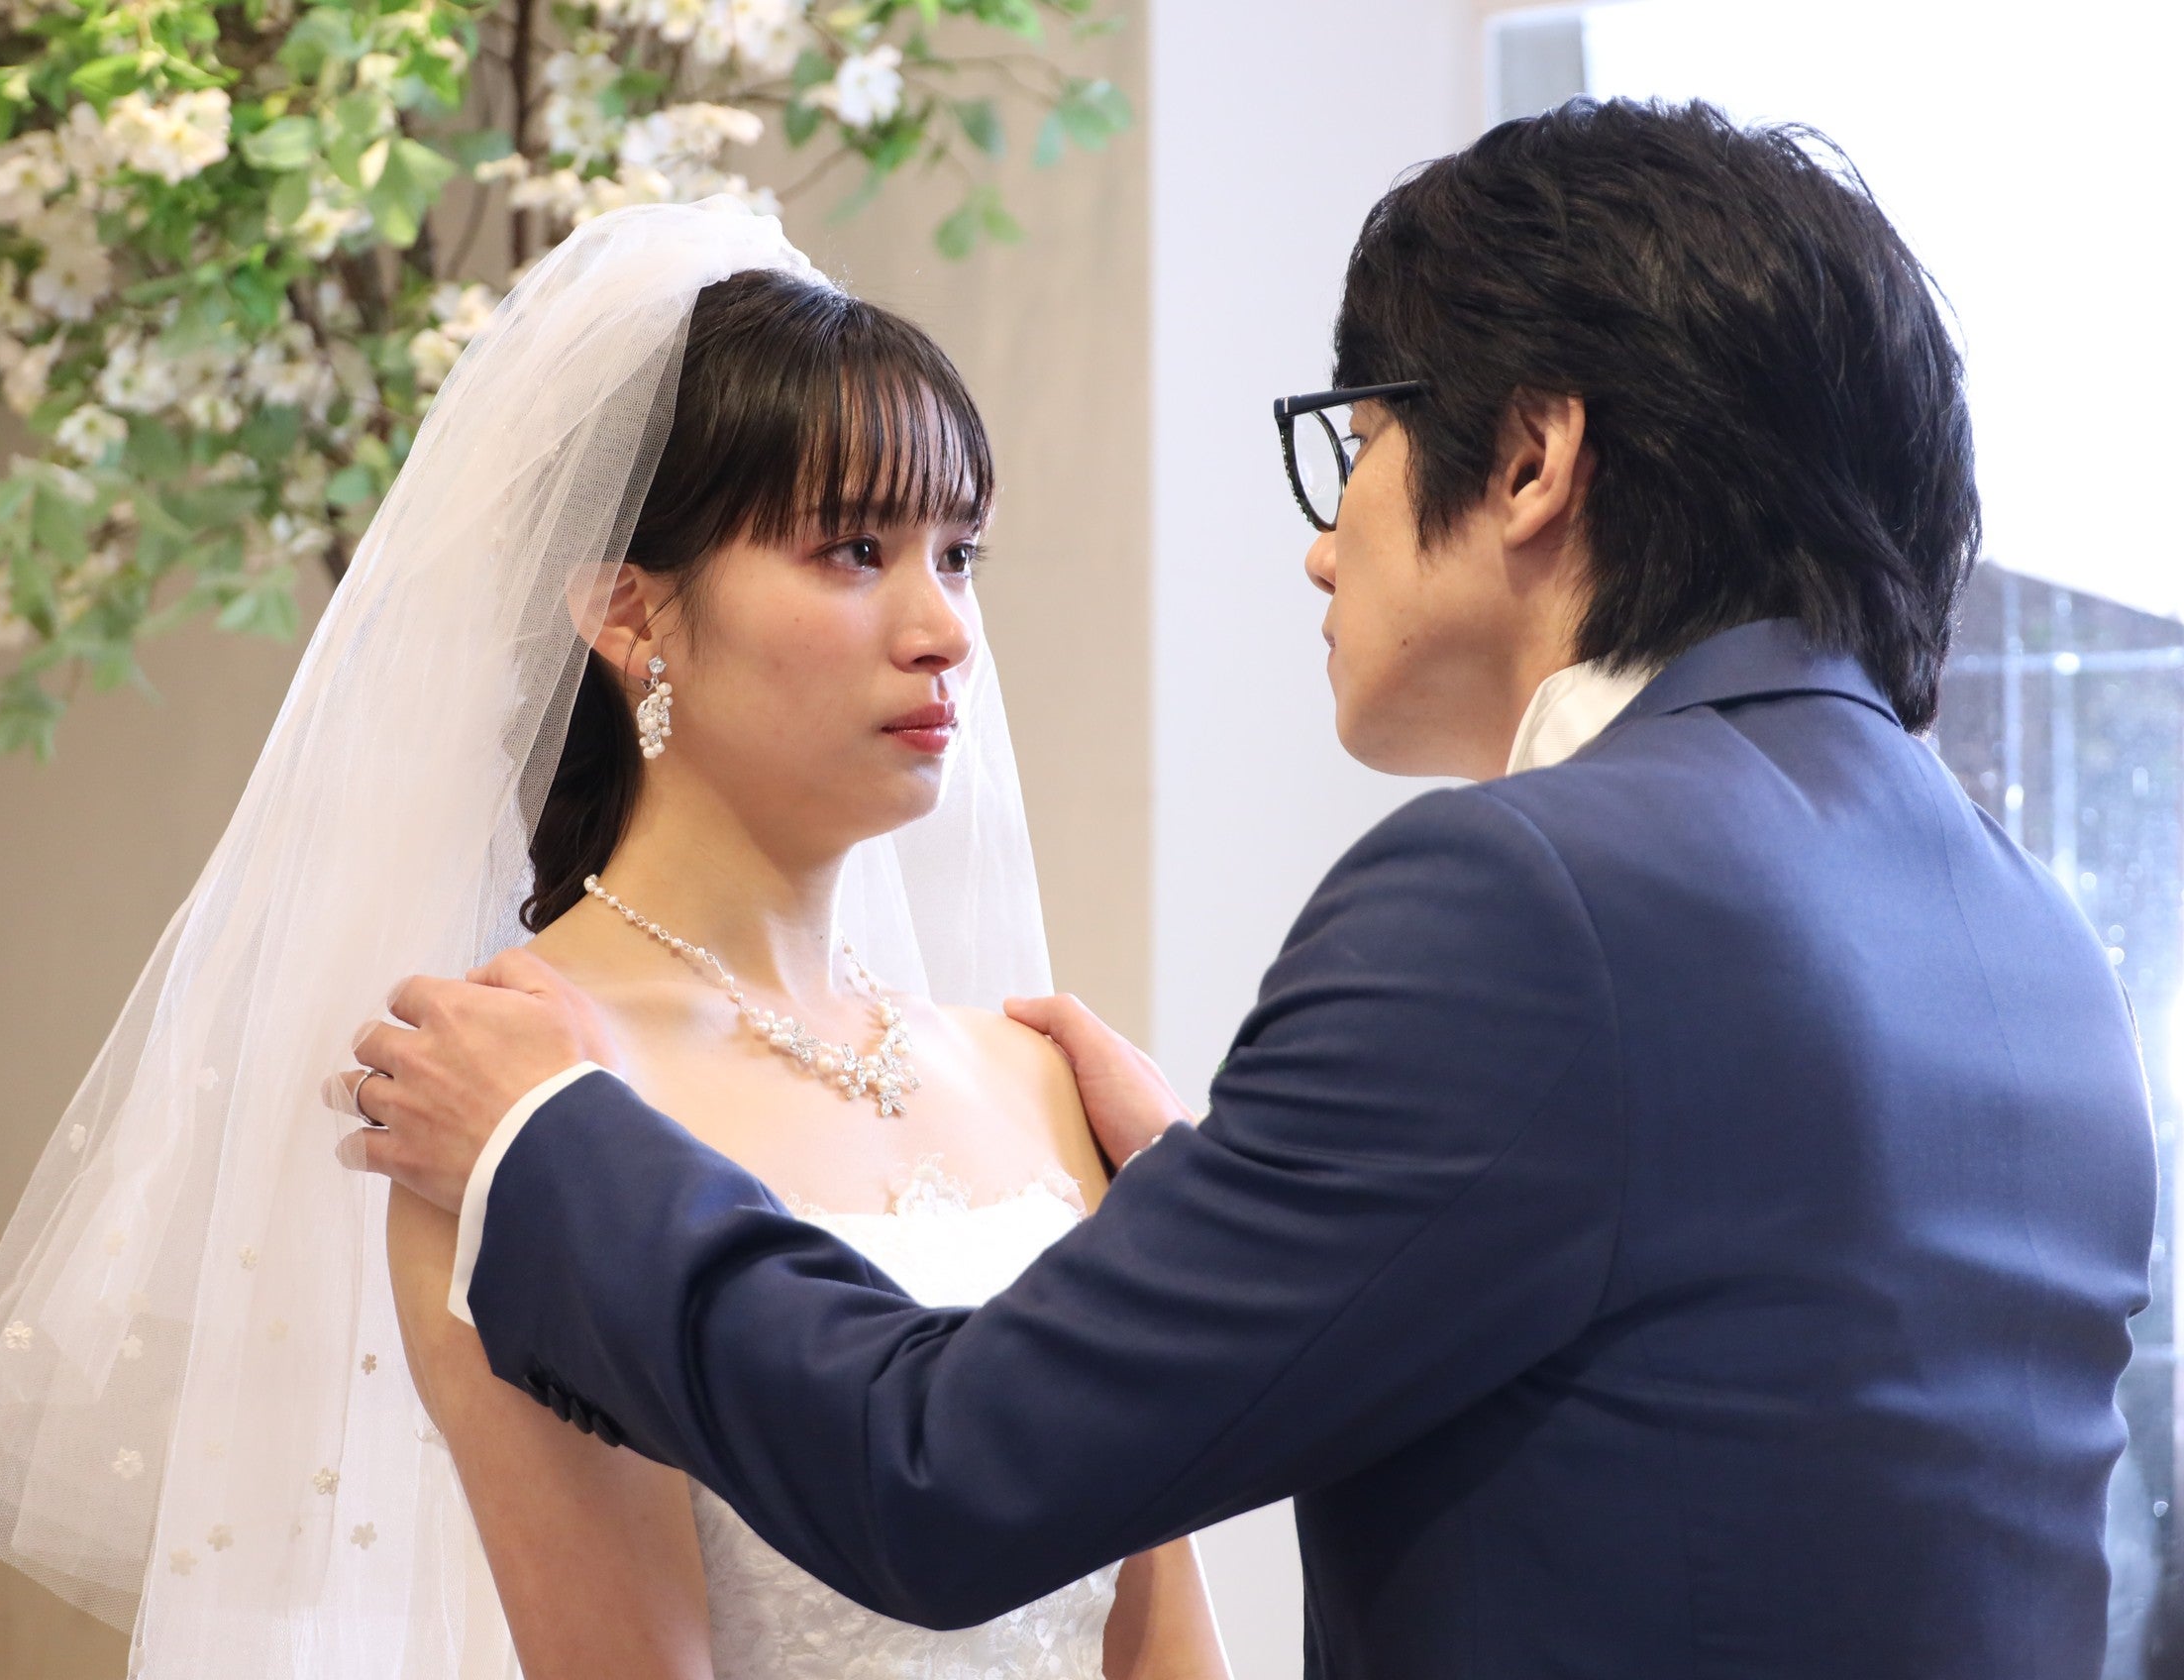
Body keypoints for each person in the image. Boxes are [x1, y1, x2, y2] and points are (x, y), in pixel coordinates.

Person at [334, 99, 2159, 1677]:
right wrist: (1234, 1203)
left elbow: (941, 1477)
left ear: (1531, 461)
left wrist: (550, 1147)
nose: (1320, 542)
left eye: (1355, 445)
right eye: (853, 546)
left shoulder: (1525, 903)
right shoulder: (2030, 948)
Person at [0, 198, 1225, 1679]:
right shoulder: (508, 1101)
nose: (945, 630)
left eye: (962, 552)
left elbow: (1168, 1647)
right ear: (630, 617)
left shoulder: (1051, 1077)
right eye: (857, 548)